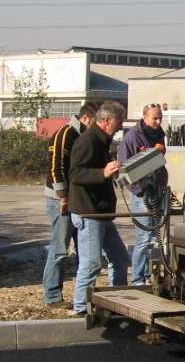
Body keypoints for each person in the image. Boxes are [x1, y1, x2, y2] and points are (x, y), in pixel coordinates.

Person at [67, 101, 130, 318]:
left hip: (101, 213)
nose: (120, 127)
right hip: (88, 212)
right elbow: (75, 174)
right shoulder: (87, 141)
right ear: (107, 120)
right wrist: (102, 173)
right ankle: (80, 308)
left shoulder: (102, 141)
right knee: (91, 263)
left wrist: (110, 171)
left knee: (120, 257)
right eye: (119, 122)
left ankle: (118, 301)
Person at [41, 103, 97, 307]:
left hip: (76, 198)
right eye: (94, 121)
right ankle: (52, 295)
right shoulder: (65, 134)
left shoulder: (84, 136)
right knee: (60, 249)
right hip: (60, 199)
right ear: (85, 118)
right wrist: (63, 197)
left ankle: (82, 296)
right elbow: (55, 167)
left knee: (83, 249)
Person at [117, 103, 169, 286]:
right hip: (142, 195)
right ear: (145, 118)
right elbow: (124, 170)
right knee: (144, 238)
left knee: (154, 237)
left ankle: (147, 275)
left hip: (157, 191)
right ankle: (138, 278)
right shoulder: (132, 137)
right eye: (155, 118)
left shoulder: (158, 135)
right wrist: (140, 190)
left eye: (160, 118)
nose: (158, 121)